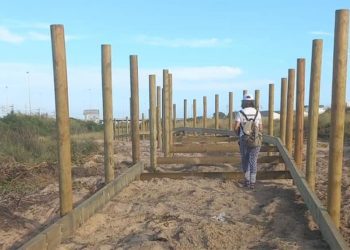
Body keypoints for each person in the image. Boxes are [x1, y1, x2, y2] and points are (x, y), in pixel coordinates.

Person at [234, 94, 263, 189]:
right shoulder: (257, 113)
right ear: (252, 102)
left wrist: (239, 133)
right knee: (253, 160)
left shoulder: (240, 113)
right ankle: (252, 183)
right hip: (255, 140)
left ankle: (247, 181)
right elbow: (261, 128)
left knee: (245, 160)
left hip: (244, 139)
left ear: (243, 102)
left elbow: (236, 127)